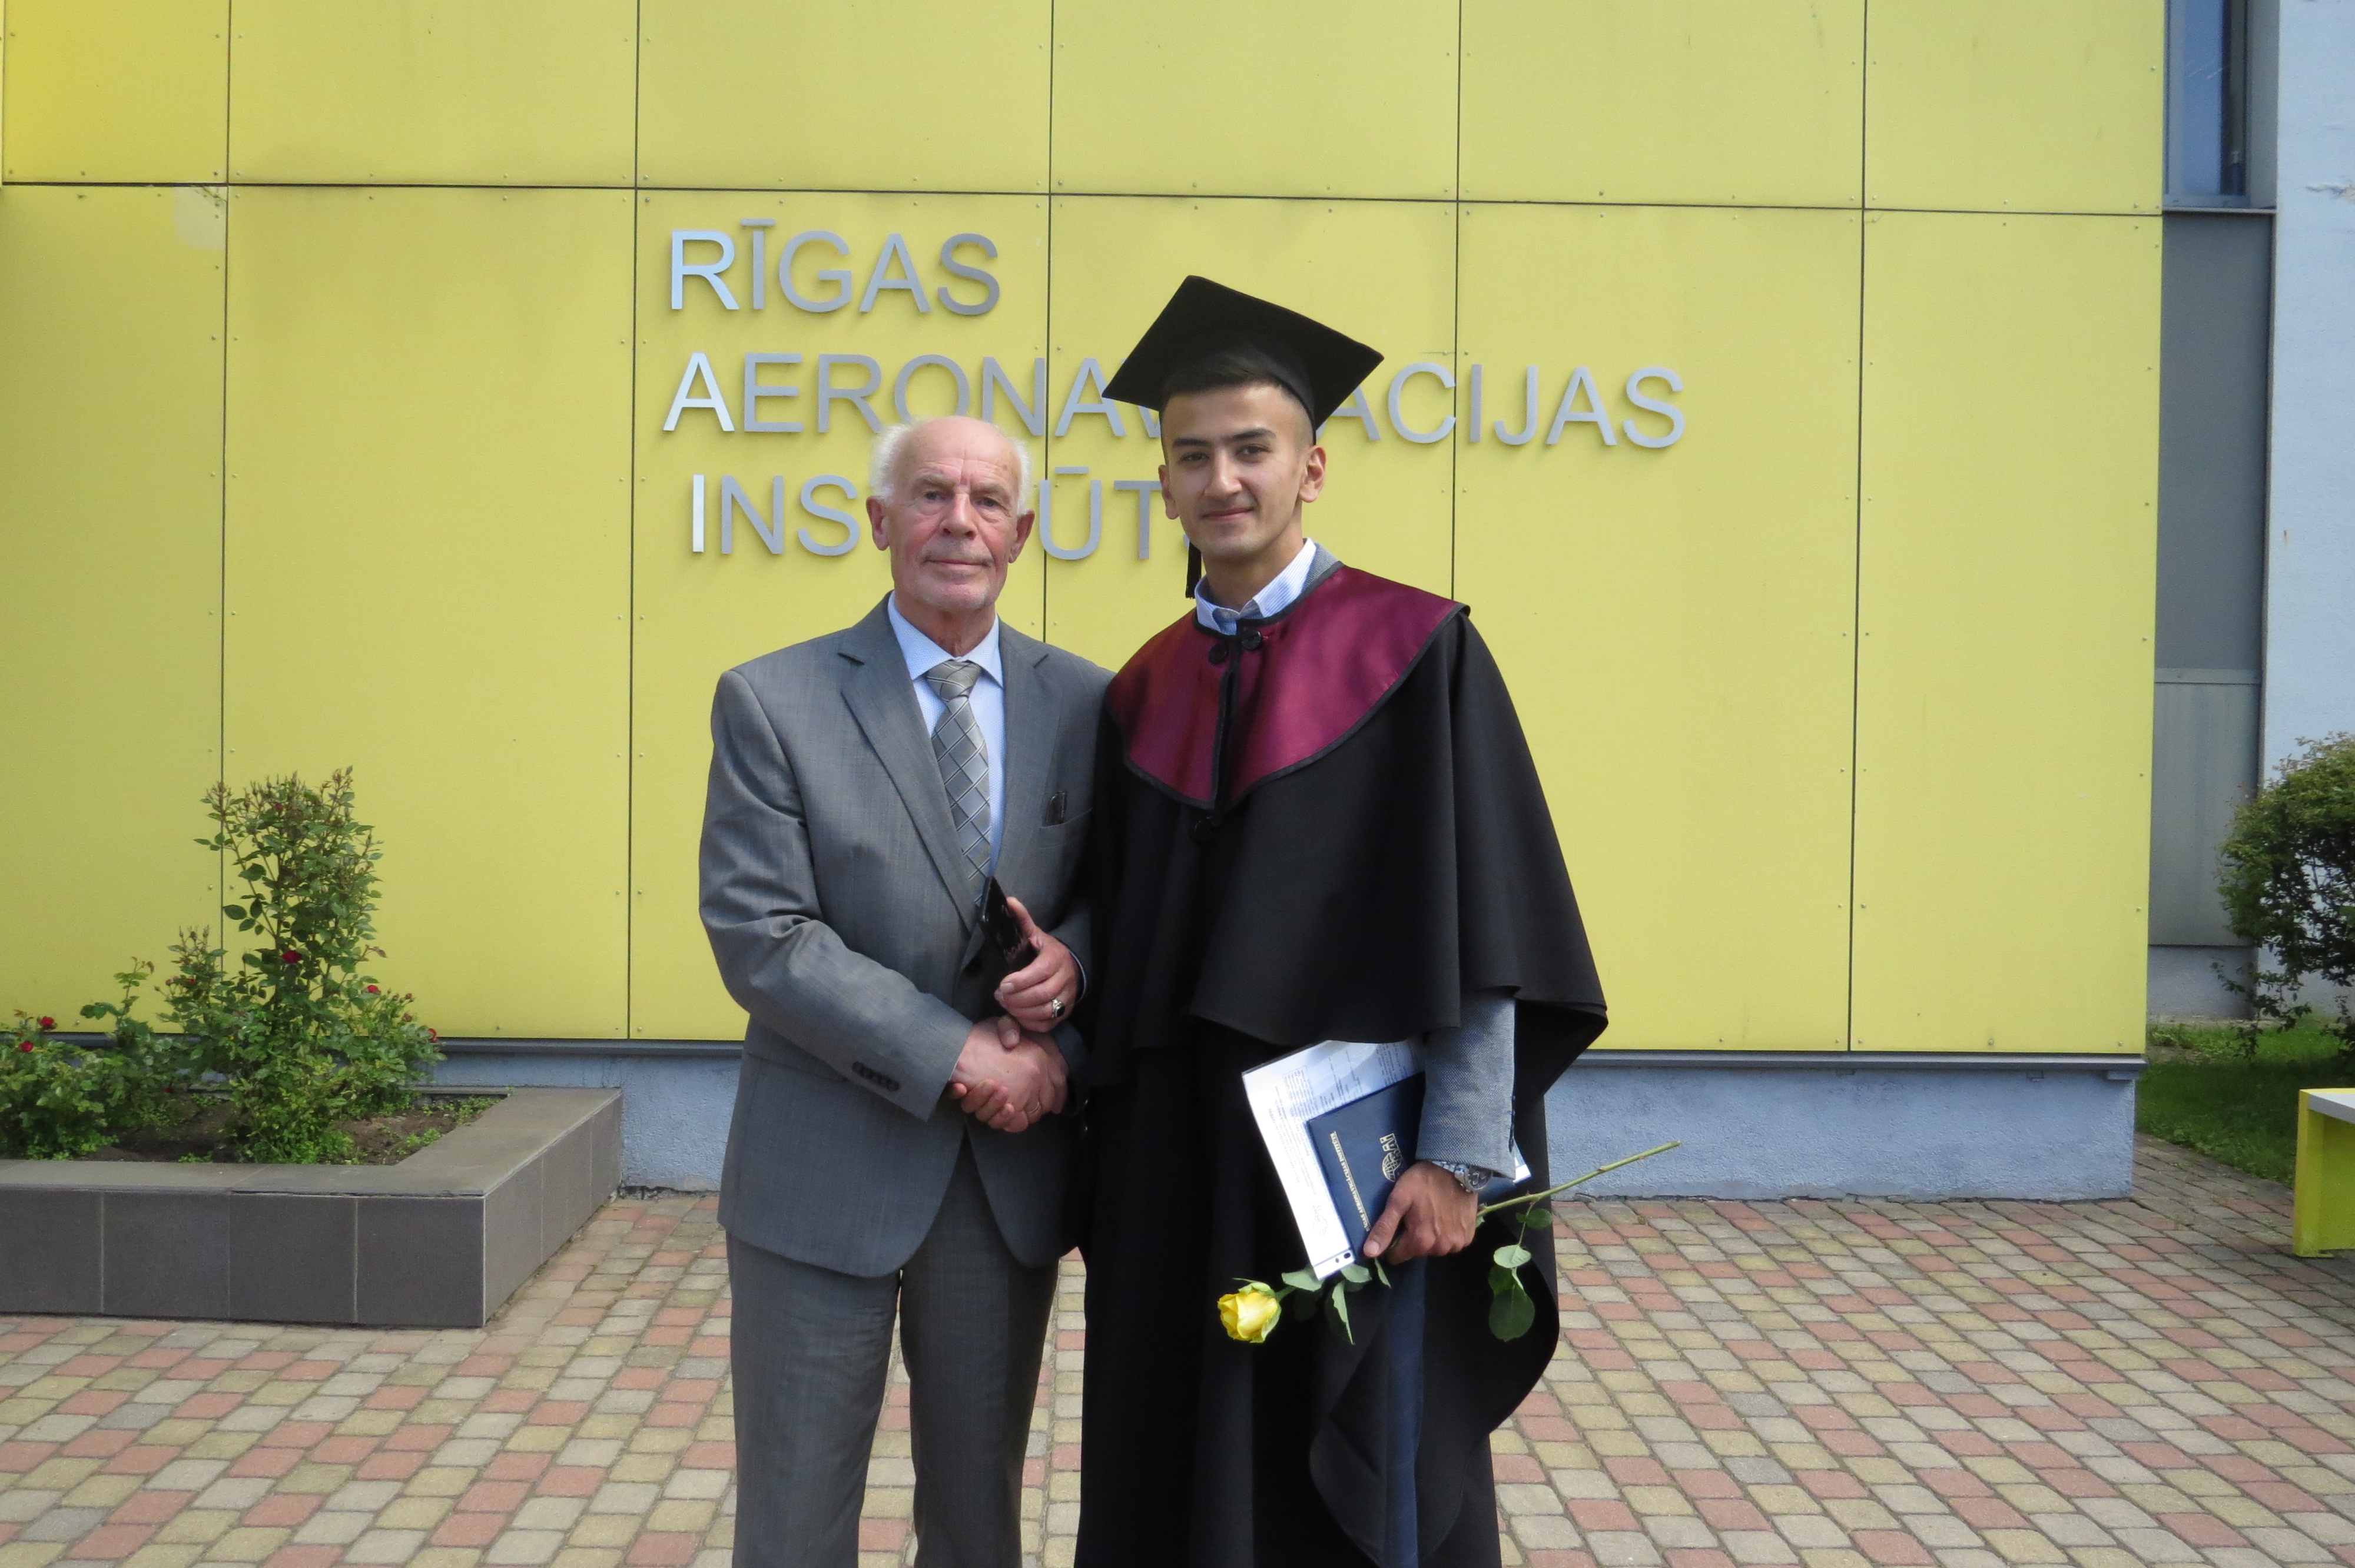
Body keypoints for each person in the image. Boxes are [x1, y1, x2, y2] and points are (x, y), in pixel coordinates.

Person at [1076, 278, 1610, 1567]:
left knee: (1357, 1471)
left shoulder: (1416, 652)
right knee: (1176, 1468)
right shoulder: (1143, 687)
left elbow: (1488, 923)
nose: (1222, 479)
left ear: (1310, 468)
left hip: (1356, 1173)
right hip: (1179, 1168)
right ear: (1163, 485)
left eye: (1251, 449)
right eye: (1191, 455)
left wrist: (1458, 1158)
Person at [700, 414, 1111, 1568]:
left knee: (977, 1522)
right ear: (880, 521)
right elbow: (762, 934)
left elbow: (1126, 901)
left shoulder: (1092, 705)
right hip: (818, 1172)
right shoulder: (772, 699)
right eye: (931, 496)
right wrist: (957, 1054)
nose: (959, 523)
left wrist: (1074, 977)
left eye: (987, 501)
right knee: (792, 1522)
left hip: (1000, 1181)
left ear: (1022, 532)